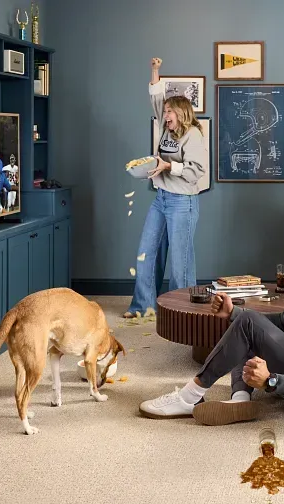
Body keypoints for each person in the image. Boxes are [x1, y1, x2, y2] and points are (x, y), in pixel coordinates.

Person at [138, 240, 284, 424]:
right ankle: (240, 399)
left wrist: (271, 381)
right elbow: (283, 323)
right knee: (247, 324)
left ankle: (189, 397)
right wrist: (232, 313)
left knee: (248, 323)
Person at [124, 57, 208, 318]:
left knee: (180, 262)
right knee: (147, 252)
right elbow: (157, 98)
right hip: (161, 199)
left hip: (183, 202)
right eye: (166, 111)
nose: (165, 114)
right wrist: (155, 70)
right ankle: (143, 307)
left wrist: (169, 166)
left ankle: (181, 311)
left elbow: (197, 171)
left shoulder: (193, 134)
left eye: (170, 111)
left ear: (181, 113)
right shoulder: (166, 128)